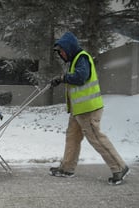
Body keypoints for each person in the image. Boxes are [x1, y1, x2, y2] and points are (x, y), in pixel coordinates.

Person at [49, 31, 129, 185]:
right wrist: (61, 79)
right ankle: (67, 168)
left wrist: (63, 78)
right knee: (72, 137)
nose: (61, 55)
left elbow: (81, 77)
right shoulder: (74, 60)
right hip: (78, 110)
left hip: (88, 110)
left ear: (69, 48)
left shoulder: (82, 58)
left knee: (96, 138)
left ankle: (119, 167)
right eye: (60, 53)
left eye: (62, 51)